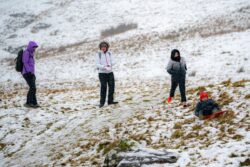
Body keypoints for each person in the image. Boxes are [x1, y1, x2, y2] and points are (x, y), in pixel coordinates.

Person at [96, 41, 118, 108]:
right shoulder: (98, 54)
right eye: (102, 47)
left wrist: (110, 65)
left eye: (105, 47)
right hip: (102, 74)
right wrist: (104, 67)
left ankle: (110, 101)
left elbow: (113, 61)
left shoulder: (110, 53)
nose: (103, 48)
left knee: (112, 87)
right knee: (103, 87)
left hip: (110, 72)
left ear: (107, 47)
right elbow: (97, 64)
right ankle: (102, 103)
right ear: (100, 48)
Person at [22, 41, 39, 108]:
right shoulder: (26, 53)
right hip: (27, 73)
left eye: (35, 47)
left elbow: (31, 64)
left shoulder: (31, 54)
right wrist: (29, 72)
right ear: (30, 47)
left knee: (33, 88)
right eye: (33, 47)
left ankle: (34, 103)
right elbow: (25, 62)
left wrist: (33, 73)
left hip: (31, 74)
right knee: (32, 88)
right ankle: (28, 103)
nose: (34, 49)